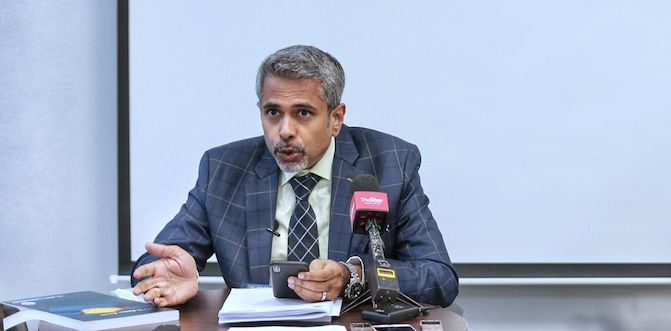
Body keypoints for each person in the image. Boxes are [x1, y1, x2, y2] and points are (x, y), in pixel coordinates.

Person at [131, 45, 458, 308]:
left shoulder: (390, 163)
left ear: (336, 118)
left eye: (303, 113)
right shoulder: (225, 169)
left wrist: (352, 275)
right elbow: (159, 261)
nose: (284, 131)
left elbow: (439, 278)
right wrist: (164, 274)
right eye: (273, 113)